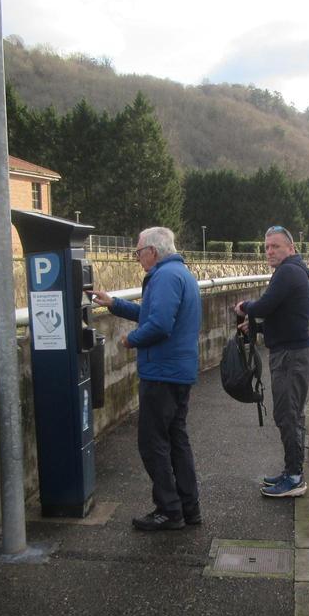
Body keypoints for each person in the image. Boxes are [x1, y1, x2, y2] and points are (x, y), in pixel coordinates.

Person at [90, 227, 202, 531]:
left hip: (162, 373)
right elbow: (153, 314)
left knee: (152, 443)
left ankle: (169, 510)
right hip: (179, 372)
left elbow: (160, 325)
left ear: (153, 250)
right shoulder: (181, 274)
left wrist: (132, 340)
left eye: (139, 251)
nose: (137, 257)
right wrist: (114, 303)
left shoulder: (164, 277)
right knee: (177, 439)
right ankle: (188, 508)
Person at [234, 225, 309, 498]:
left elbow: (265, 305)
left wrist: (244, 306)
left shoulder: (288, 272)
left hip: (291, 357)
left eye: (275, 246)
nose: (269, 251)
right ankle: (291, 471)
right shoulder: (293, 271)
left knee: (288, 415)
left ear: (290, 248)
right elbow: (284, 316)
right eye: (266, 247)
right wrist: (259, 329)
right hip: (292, 353)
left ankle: (294, 478)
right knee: (290, 414)